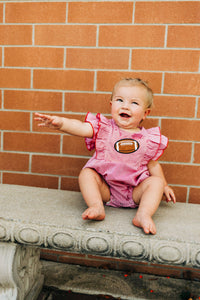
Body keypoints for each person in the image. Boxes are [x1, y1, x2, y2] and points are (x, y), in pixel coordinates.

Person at [35, 78, 176, 235]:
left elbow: (153, 165)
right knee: (87, 173)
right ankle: (96, 206)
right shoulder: (104, 129)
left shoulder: (147, 139)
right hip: (107, 189)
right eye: (120, 100)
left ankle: (143, 214)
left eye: (134, 103)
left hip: (135, 191)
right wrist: (61, 123)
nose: (125, 106)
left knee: (155, 182)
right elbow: (80, 127)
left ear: (145, 113)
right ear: (111, 105)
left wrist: (164, 185)